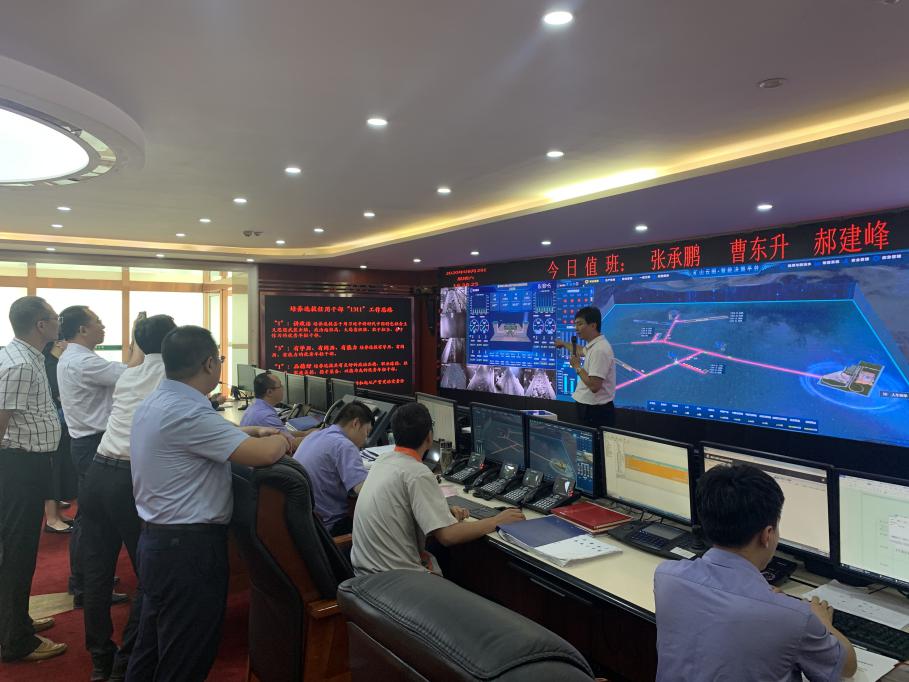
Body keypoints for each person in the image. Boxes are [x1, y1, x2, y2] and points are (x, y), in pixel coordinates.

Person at [127, 325, 291, 682]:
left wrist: (249, 431)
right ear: (207, 364)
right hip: (188, 551)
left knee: (150, 648)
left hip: (158, 542)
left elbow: (199, 437)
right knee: (185, 656)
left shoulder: (159, 402)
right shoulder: (187, 413)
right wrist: (283, 439)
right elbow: (264, 456)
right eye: (219, 358)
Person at [653, 464, 857, 681]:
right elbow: (847, 667)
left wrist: (766, 600)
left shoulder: (666, 577)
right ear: (767, 535)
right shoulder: (795, 618)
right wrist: (822, 622)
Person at [80, 314, 176, 681]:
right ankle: (128, 662)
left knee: (97, 573)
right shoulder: (172, 375)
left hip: (98, 472)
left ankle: (100, 660)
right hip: (130, 480)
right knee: (149, 573)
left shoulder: (128, 375)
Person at [351, 402, 525, 577]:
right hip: (395, 581)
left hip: (365, 574)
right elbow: (448, 536)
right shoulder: (417, 473)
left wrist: (441, 512)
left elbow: (399, 507)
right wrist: (497, 520)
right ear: (429, 437)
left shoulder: (382, 461)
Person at [57, 305, 140, 607]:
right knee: (95, 519)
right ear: (82, 329)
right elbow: (132, 373)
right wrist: (138, 338)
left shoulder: (76, 357)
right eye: (98, 322)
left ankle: (85, 579)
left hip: (85, 443)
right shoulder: (83, 362)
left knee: (89, 516)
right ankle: (87, 584)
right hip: (93, 445)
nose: (102, 326)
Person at [0, 296, 66, 663]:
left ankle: (15, 621)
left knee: (19, 550)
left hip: (28, 464)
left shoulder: (25, 356)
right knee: (17, 552)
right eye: (54, 318)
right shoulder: (21, 364)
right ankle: (16, 641)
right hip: (19, 467)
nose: (58, 323)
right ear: (41, 325)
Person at [293, 400, 374, 536]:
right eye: (367, 431)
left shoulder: (314, 435)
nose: (366, 439)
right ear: (355, 423)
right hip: (328, 527)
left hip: (305, 524)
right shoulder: (344, 446)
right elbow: (364, 491)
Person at [553, 306, 616, 428]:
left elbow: (594, 386)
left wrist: (577, 367)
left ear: (593, 325)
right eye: (575, 324)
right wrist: (564, 344)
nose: (576, 328)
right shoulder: (595, 346)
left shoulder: (599, 350)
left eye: (580, 324)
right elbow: (581, 351)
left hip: (594, 412)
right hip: (590, 409)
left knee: (590, 440)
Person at [42, 339, 77, 533]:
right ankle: (52, 518)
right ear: (59, 342)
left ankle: (57, 514)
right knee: (54, 469)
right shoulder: (49, 364)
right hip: (53, 423)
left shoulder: (57, 363)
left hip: (61, 422)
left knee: (61, 467)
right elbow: (57, 395)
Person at [240, 371, 304, 448]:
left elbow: (284, 433)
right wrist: (315, 437)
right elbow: (292, 443)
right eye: (280, 386)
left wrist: (305, 433)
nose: (283, 388)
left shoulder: (255, 407)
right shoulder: (266, 416)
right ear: (269, 392)